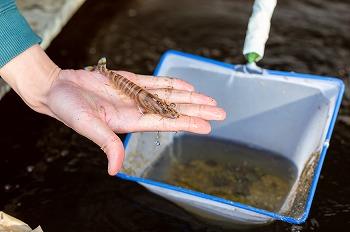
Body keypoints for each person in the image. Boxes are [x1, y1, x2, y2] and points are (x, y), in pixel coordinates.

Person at [0, 0, 226, 175]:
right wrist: (47, 83)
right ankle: (102, 70)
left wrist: (47, 82)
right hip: (126, 89)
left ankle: (102, 70)